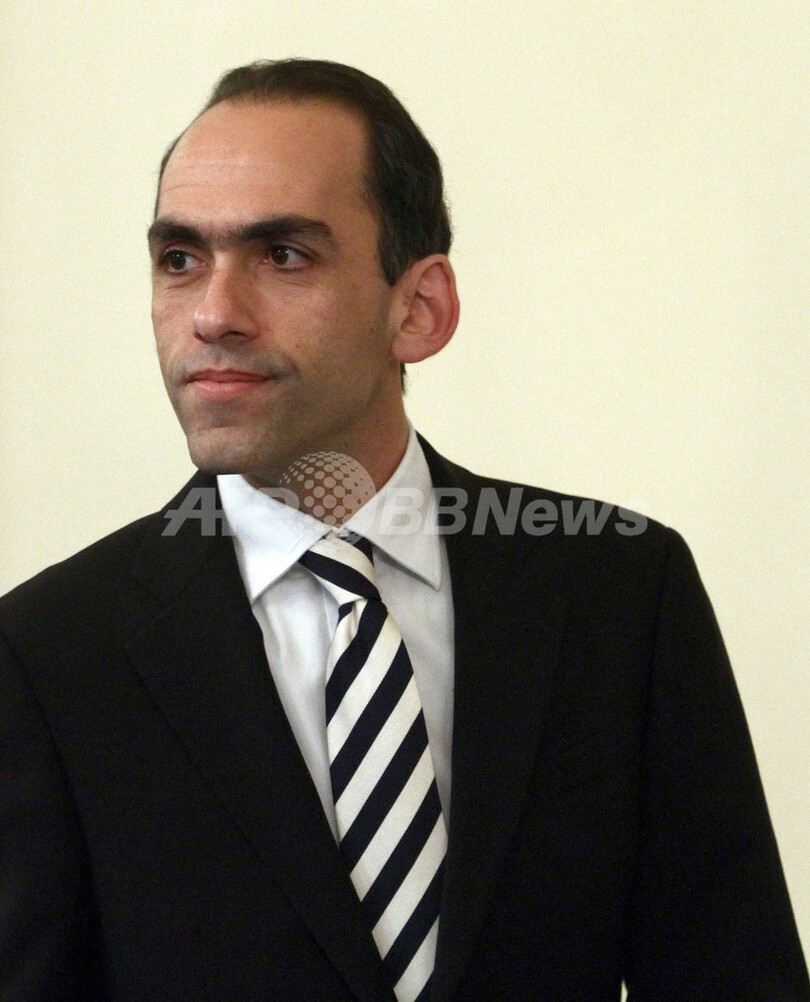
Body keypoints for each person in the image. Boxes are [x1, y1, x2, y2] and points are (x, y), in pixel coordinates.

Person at [0, 58, 807, 1002]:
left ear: (418, 309)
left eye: (283, 255)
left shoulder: (623, 593)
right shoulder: (48, 653)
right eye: (180, 259)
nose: (213, 314)